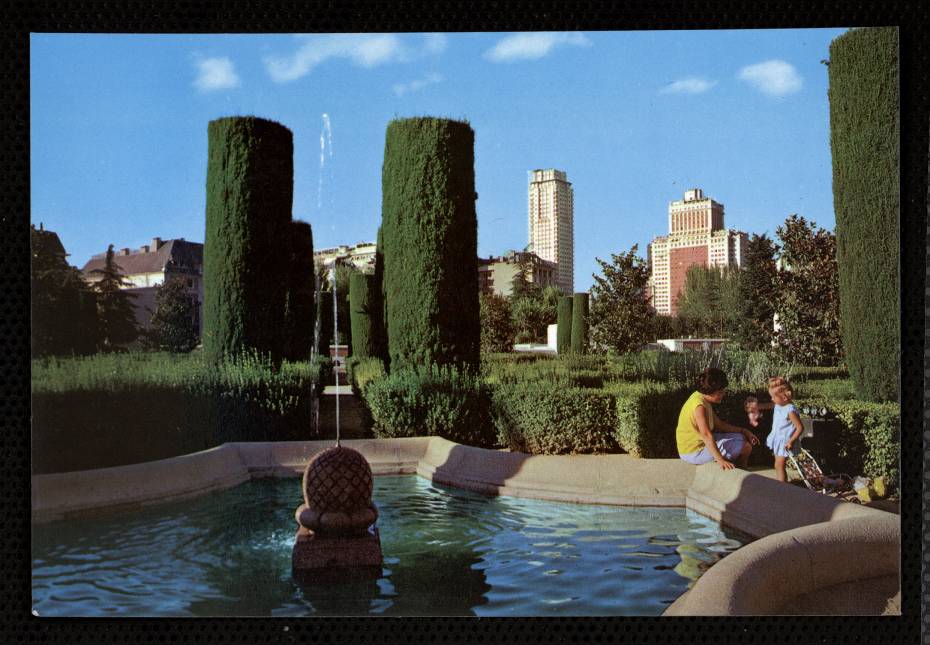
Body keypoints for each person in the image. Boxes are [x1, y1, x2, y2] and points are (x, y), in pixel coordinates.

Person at [676, 367, 760, 470]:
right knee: (746, 447)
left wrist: (744, 431)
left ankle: (740, 469)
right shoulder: (699, 406)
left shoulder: (701, 398)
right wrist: (720, 460)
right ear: (710, 391)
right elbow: (706, 435)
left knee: (741, 437)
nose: (723, 394)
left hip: (700, 444)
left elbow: (719, 425)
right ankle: (741, 472)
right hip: (693, 452)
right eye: (720, 392)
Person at [763, 376, 805, 483]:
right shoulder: (779, 405)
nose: (772, 399)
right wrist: (755, 407)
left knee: (779, 465)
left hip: (785, 442)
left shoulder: (790, 410)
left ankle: (782, 487)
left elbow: (800, 428)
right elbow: (770, 405)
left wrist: (791, 441)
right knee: (778, 465)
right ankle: (782, 486)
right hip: (778, 439)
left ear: (784, 398)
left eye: (773, 397)